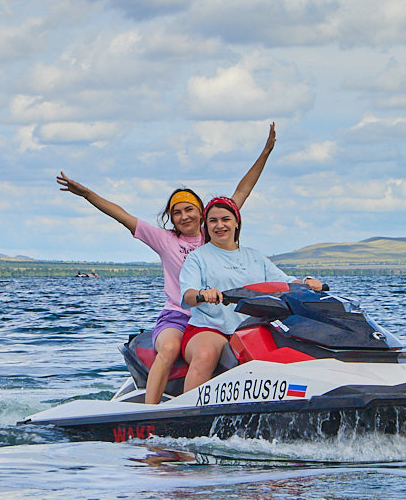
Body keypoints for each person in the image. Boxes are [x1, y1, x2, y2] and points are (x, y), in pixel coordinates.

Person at [56, 125, 277, 404]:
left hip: (214, 317)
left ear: (202, 213)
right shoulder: (165, 240)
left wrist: (266, 152)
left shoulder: (215, 231)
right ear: (171, 219)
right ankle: (151, 412)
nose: (184, 216)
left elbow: (242, 190)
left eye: (189, 210)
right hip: (178, 315)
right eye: (177, 213)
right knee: (170, 347)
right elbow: (122, 216)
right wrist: (88, 195)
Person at [179, 195, 324, 392]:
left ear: (237, 223)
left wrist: (307, 282)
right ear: (206, 226)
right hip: (211, 328)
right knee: (206, 355)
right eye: (213, 221)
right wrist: (203, 293)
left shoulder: (254, 257)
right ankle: (188, 414)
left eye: (225, 219)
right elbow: (188, 294)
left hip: (251, 328)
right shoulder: (198, 257)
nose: (219, 225)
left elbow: (283, 282)